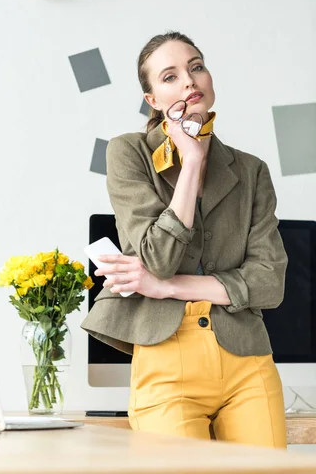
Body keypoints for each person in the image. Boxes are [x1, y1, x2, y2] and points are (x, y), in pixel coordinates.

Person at [81, 31, 288, 447]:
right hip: (166, 357)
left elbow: (270, 282)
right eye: (170, 76)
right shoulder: (128, 153)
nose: (190, 82)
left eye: (196, 68)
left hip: (248, 359)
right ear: (152, 99)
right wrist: (191, 160)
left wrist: (166, 287)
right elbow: (155, 256)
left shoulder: (251, 170)